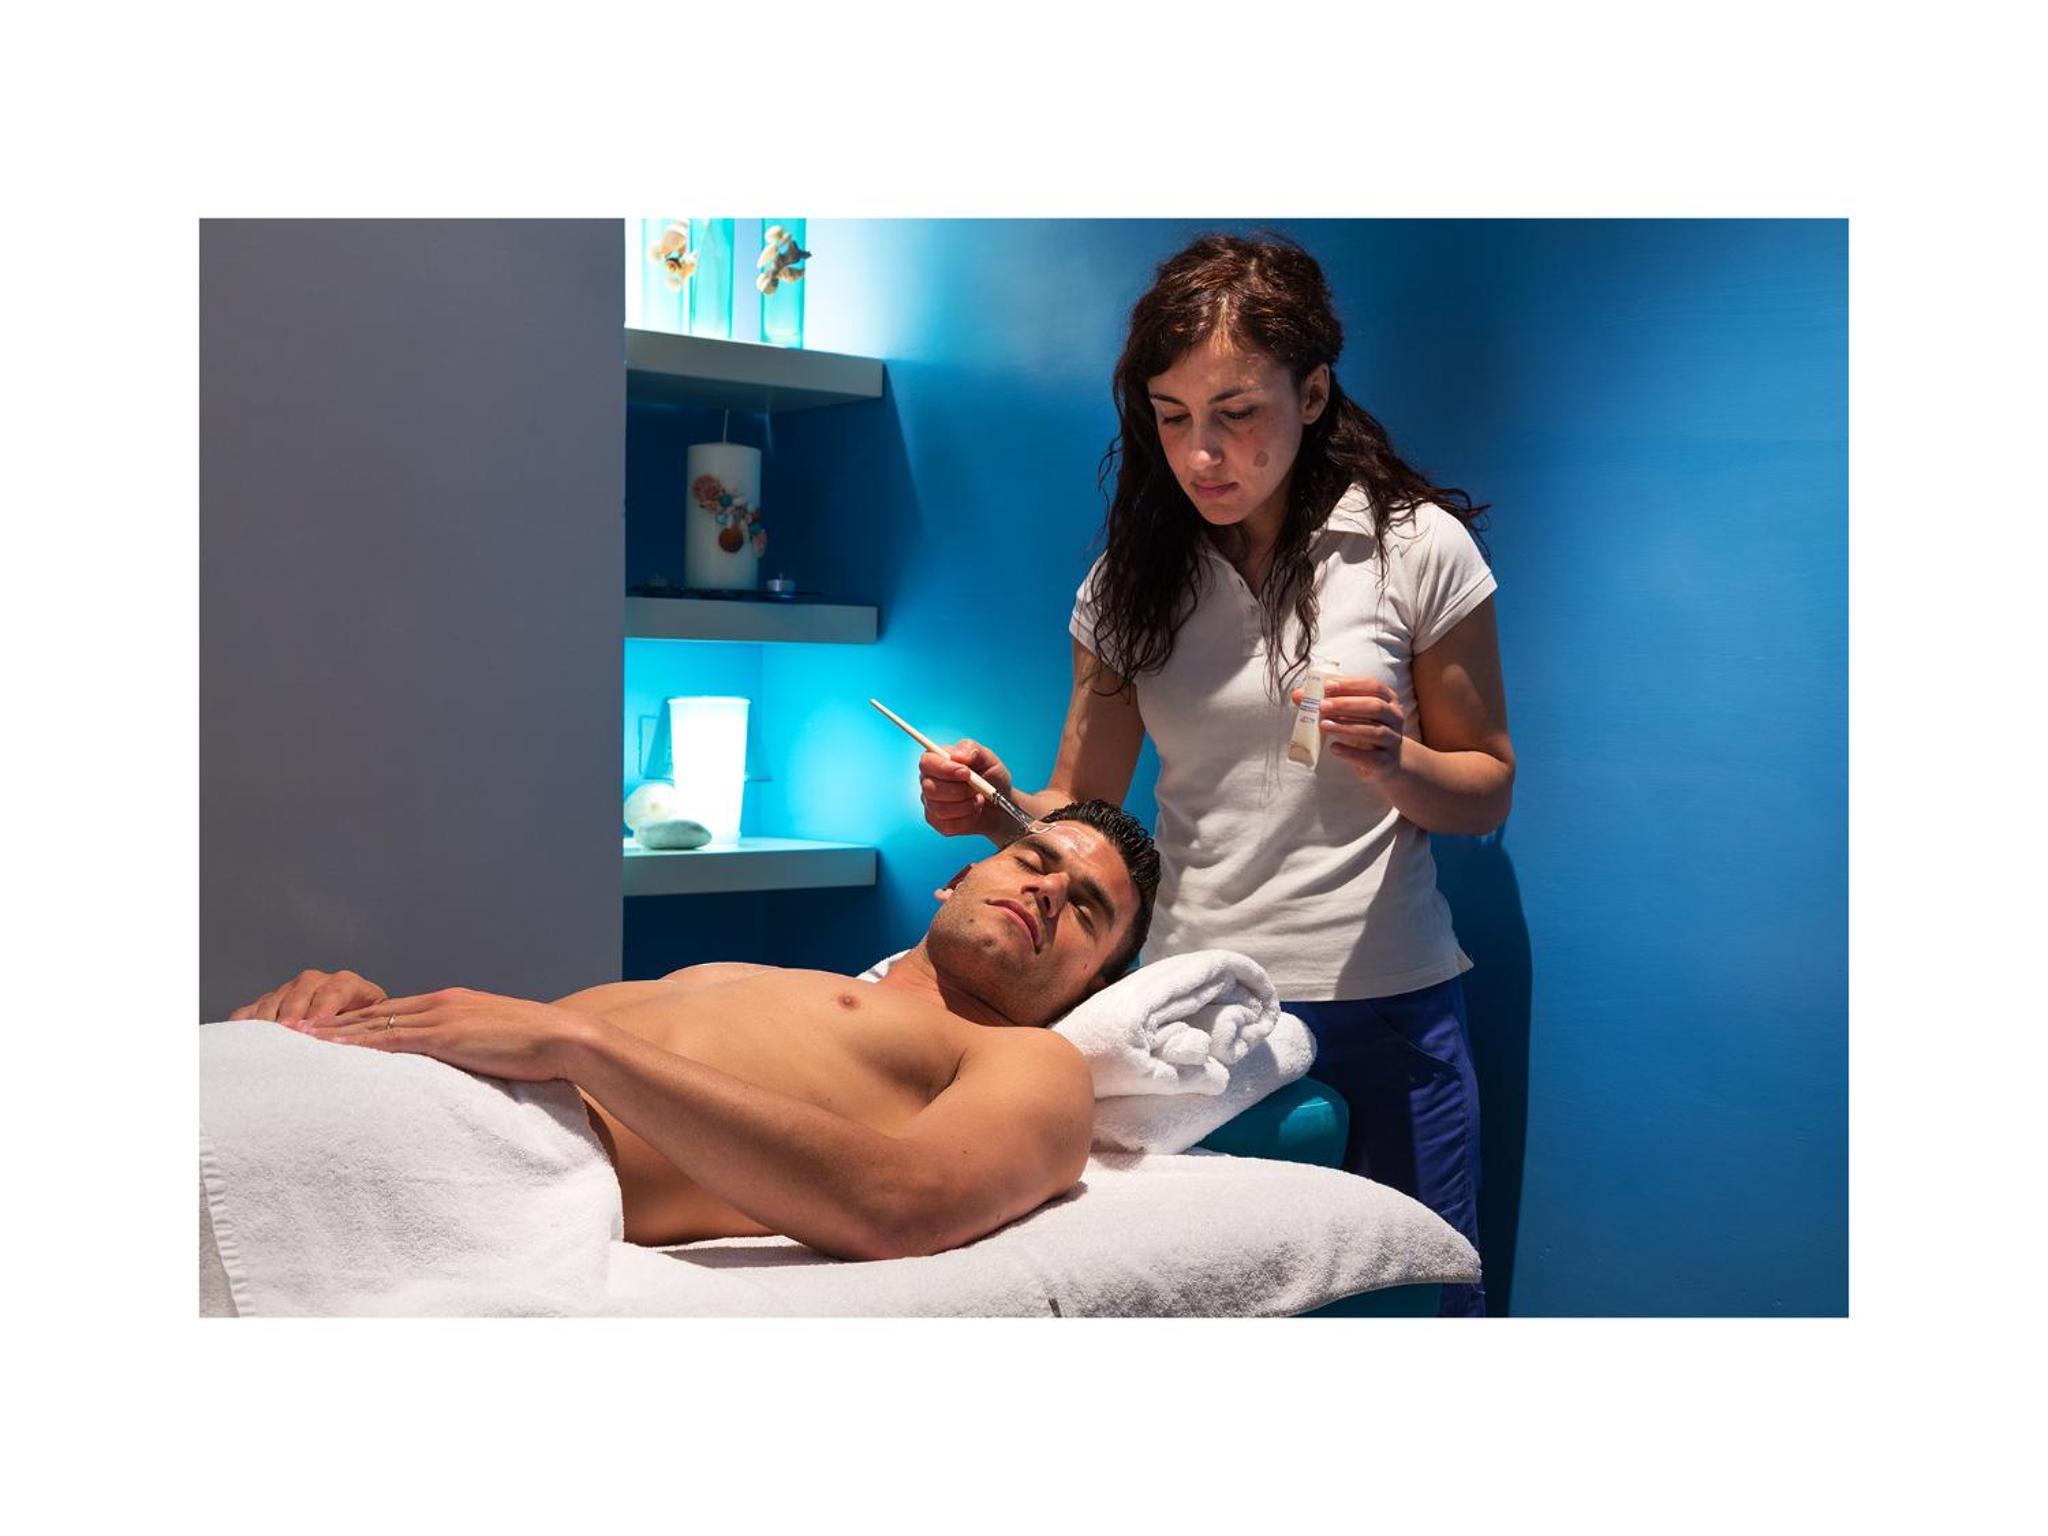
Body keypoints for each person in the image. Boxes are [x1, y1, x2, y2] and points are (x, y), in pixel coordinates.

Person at [916, 234, 1514, 1315]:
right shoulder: (1130, 583)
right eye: (1172, 416)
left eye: (1236, 412)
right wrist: (993, 808)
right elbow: (1082, 809)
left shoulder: (1412, 547)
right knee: (1211, 1313)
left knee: (1413, 1312)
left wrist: (1399, 758)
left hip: (1387, 1001)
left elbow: (1487, 788)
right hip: (1193, 1021)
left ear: (1313, 392)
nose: (1202, 455)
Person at [225, 800, 1159, 1262]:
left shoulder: (1030, 1061)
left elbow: (906, 1203)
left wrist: (576, 1047)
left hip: (500, 1151)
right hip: (361, 1085)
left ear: (1093, 986)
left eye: (1086, 908)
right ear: (956, 880)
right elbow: (503, 1038)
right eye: (1032, 859)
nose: (1047, 888)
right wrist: (357, 1013)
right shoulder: (781, 984)